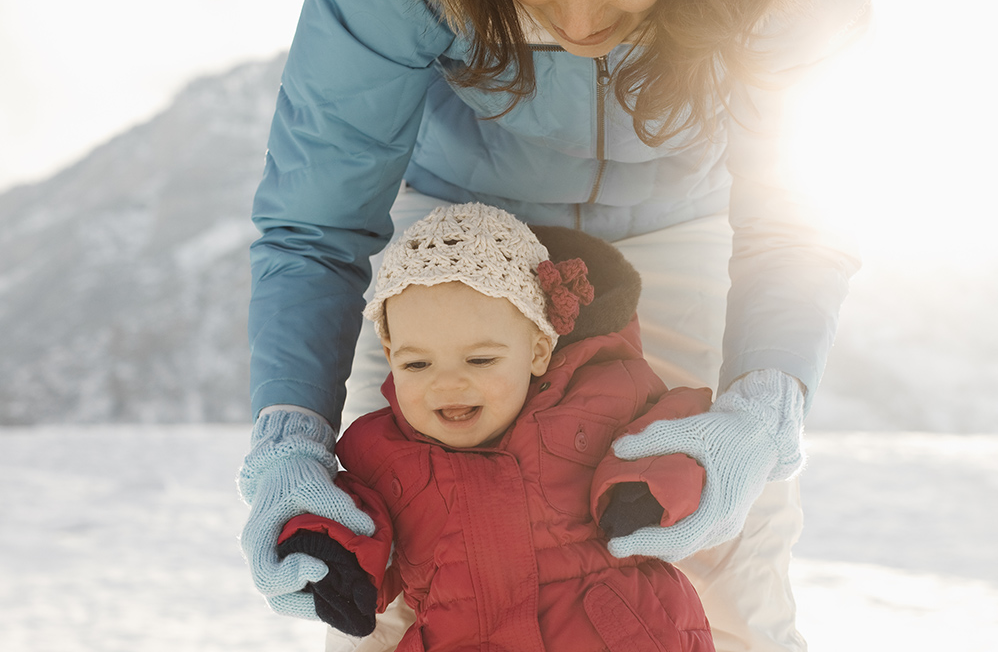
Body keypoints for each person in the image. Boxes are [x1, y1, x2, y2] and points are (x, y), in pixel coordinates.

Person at [237, 0, 871, 650]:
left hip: (683, 221)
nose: (581, 27)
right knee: (384, 546)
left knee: (729, 544)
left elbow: (800, 217)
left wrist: (761, 409)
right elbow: (315, 223)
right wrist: (290, 443)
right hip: (457, 238)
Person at [273, 202, 716, 650]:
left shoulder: (598, 393)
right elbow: (350, 520)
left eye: (480, 359)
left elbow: (678, 424)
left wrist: (645, 484)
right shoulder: (380, 452)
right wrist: (327, 554)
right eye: (417, 363)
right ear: (390, 359)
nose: (447, 384)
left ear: (539, 350)